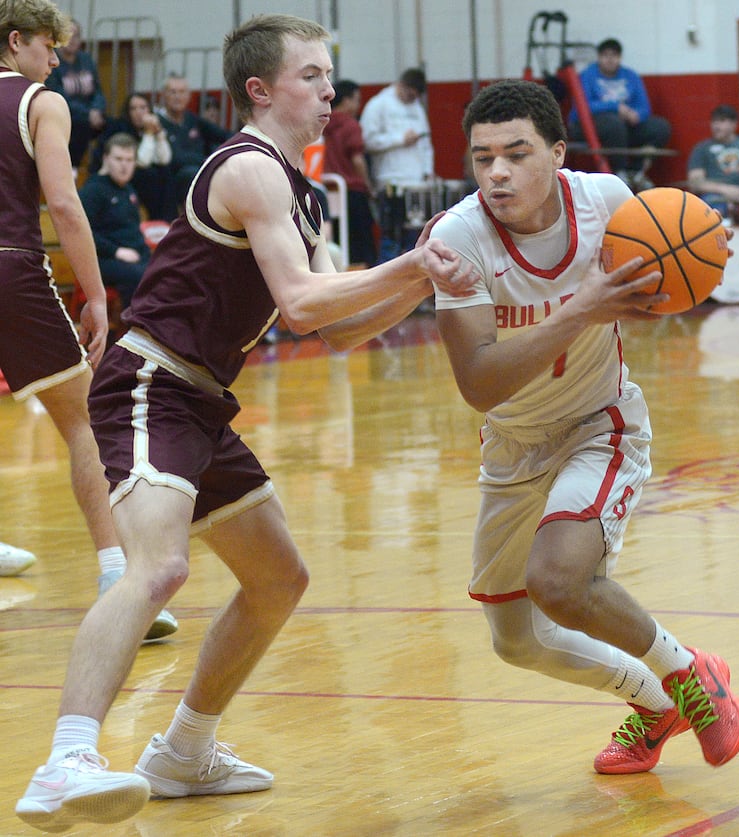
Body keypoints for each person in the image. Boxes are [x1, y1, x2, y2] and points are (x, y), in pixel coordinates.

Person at [16, 13, 478, 831]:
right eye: (311, 74)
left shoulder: (300, 191)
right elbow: (302, 305)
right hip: (150, 380)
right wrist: (412, 259)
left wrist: (423, 281)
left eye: (329, 74)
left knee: (279, 578)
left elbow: (338, 327)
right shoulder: (249, 169)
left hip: (201, 398)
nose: (329, 88)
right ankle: (65, 762)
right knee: (156, 568)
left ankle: (185, 749)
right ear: (260, 90)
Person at [430, 78, 739, 779]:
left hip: (596, 423)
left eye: (516, 153)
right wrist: (583, 307)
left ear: (558, 152)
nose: (497, 173)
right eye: (482, 158)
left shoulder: (605, 201)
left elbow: (674, 257)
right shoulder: (458, 238)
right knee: (515, 641)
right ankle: (654, 701)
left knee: (558, 579)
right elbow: (479, 382)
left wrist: (704, 245)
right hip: (511, 440)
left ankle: (690, 675)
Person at [0, 0, 176, 648]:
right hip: (12, 266)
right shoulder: (42, 102)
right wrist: (96, 293)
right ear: (15, 41)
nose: (56, 59)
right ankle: (117, 578)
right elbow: (65, 205)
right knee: (83, 417)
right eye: (49, 46)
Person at [568, 38, 671, 190]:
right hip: (590, 125)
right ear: (599, 57)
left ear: (620, 58)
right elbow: (583, 108)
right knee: (614, 123)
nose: (609, 60)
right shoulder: (587, 75)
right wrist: (616, 107)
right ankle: (619, 173)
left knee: (661, 126)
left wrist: (636, 116)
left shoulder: (630, 76)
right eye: (605, 55)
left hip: (624, 127)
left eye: (614, 55)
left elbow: (644, 107)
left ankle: (635, 172)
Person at [361, 67, 434, 261]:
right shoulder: (378, 105)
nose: (412, 98)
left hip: (417, 182)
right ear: (401, 85)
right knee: (392, 235)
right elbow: (367, 141)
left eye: (416, 96)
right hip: (390, 180)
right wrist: (400, 139)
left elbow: (426, 143)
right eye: (409, 94)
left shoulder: (417, 108)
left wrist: (428, 171)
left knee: (417, 236)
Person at [79, 133, 151, 310]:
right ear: (105, 159)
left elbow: (133, 229)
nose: (124, 165)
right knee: (139, 275)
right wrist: (116, 251)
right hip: (103, 260)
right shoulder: (93, 190)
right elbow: (81, 234)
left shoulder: (129, 190)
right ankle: (133, 329)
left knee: (166, 272)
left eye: (129, 160)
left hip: (134, 256)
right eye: (118, 159)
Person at [89, 92, 175, 221]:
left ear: (150, 110)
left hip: (136, 175)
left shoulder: (150, 127)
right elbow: (141, 161)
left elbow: (164, 159)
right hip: (111, 176)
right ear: (127, 112)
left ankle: (167, 223)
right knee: (150, 175)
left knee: (165, 172)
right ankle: (156, 221)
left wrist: (159, 133)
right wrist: (149, 133)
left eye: (143, 107)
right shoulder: (119, 127)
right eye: (133, 108)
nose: (139, 112)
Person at [156, 73, 232, 217]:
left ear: (189, 96)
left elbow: (224, 135)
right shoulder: (157, 122)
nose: (178, 96)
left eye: (182, 92)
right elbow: (175, 159)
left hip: (202, 170)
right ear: (163, 95)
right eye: (173, 92)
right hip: (173, 180)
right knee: (192, 174)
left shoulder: (192, 119)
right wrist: (208, 161)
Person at [324, 79, 377, 266]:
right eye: (356, 100)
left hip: (326, 191)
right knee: (362, 249)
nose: (358, 105)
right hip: (352, 192)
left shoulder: (320, 123)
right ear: (346, 101)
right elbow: (357, 159)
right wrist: (368, 185)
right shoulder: (351, 125)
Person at [44, 19, 105, 172]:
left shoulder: (86, 59)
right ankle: (72, 168)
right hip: (66, 113)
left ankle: (100, 170)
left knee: (113, 126)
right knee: (80, 124)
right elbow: (57, 94)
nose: (72, 39)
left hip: (91, 114)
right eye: (67, 35)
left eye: (76, 35)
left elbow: (98, 90)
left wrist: (97, 110)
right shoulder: (53, 61)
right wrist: (87, 113)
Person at [687, 104, 739, 218]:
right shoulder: (702, 148)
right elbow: (695, 183)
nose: (716, 126)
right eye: (714, 122)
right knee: (713, 205)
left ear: (734, 124)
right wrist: (727, 190)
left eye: (722, 121)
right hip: (715, 197)